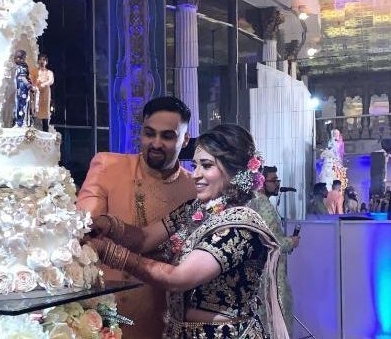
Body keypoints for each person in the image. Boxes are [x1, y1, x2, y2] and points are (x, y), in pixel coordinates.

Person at [86, 124, 289, 339]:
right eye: (195, 165)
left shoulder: (241, 226)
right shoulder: (195, 209)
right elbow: (145, 239)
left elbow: (179, 277)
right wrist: (108, 226)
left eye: (207, 165)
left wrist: (110, 253)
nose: (196, 175)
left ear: (234, 172)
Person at [77, 96, 197, 339]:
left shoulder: (194, 188)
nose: (155, 143)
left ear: (185, 140)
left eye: (167, 136)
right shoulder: (108, 166)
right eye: (149, 133)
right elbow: (84, 229)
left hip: (164, 316)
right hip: (105, 313)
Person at [249, 165, 300, 337]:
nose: (278, 184)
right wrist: (291, 242)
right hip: (272, 271)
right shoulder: (263, 204)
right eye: (274, 180)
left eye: (278, 180)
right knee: (280, 313)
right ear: (262, 182)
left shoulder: (254, 202)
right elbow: (272, 242)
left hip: (261, 270)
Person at [30, 53, 54, 131]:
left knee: (44, 113)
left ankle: (45, 131)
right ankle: (32, 131)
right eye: (40, 59)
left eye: (44, 59)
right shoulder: (34, 71)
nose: (42, 61)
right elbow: (31, 80)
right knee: (34, 109)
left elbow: (50, 81)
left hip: (45, 94)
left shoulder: (49, 72)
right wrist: (34, 87)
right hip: (35, 93)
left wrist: (44, 84)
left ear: (46, 62)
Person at [12, 49, 34, 127]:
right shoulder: (21, 67)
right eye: (16, 57)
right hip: (21, 89)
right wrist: (30, 86)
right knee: (21, 105)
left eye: (20, 57)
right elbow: (23, 78)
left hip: (22, 89)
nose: (17, 59)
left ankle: (21, 122)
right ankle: (20, 122)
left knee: (22, 105)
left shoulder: (22, 67)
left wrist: (29, 85)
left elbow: (24, 78)